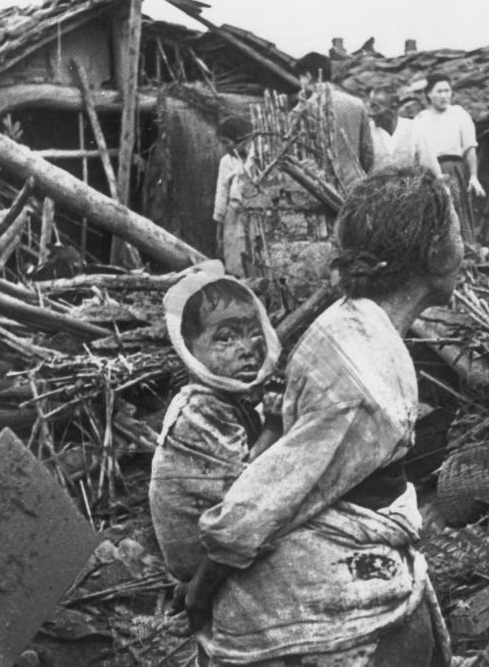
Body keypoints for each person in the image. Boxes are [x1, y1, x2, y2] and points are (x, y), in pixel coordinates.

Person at [187, 167, 461, 666]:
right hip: (317, 611)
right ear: (437, 252)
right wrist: (201, 589)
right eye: (459, 229)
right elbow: (260, 501)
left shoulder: (348, 321)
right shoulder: (366, 381)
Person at [149, 265, 281, 584]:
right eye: (226, 338)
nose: (247, 348)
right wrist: (275, 428)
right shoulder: (200, 408)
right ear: (190, 350)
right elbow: (246, 490)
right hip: (200, 563)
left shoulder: (226, 400)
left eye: (253, 333)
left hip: (214, 547)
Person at [411, 73, 486, 244]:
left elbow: (469, 147)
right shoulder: (420, 119)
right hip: (430, 171)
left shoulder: (459, 114)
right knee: (436, 213)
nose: (444, 96)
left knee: (458, 210)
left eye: (447, 91)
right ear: (429, 94)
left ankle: (467, 251)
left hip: (454, 169)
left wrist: (473, 176)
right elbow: (417, 152)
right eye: (439, 91)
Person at [292, 52, 374, 195]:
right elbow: (368, 153)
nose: (300, 83)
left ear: (308, 76)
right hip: (354, 188)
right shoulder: (357, 104)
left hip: (320, 190)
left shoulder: (302, 111)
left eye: (301, 77)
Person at [212, 116, 252, 277]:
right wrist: (219, 230)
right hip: (233, 218)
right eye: (222, 143)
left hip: (254, 215)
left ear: (240, 140)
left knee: (253, 257)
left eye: (227, 142)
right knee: (234, 259)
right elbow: (221, 195)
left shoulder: (256, 157)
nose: (225, 148)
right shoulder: (226, 162)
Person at [366, 86, 437, 171]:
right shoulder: (366, 132)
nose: (370, 113)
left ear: (393, 107)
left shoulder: (414, 128)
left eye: (375, 107)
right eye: (370, 107)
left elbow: (430, 165)